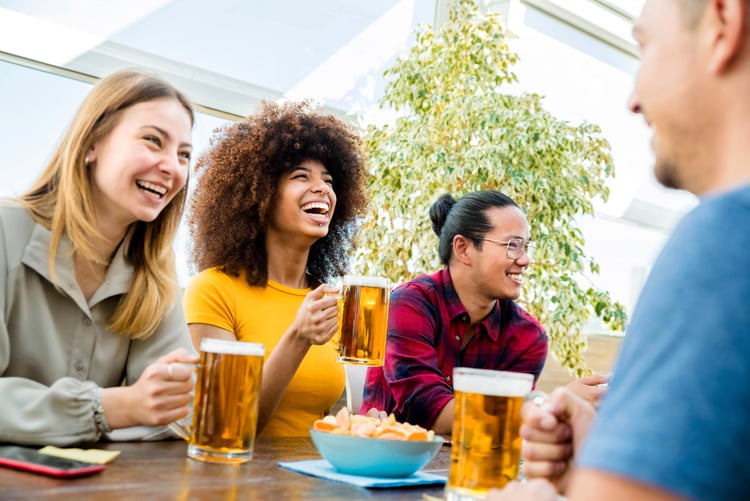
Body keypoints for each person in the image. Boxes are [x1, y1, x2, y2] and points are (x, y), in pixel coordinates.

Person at [489, 0, 750, 500]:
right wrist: (612, 457)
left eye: (645, 47)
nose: (633, 99)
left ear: (723, 24)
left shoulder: (726, 239)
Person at [0, 69, 198, 447]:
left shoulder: (154, 269)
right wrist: (109, 408)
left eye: (184, 155)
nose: (172, 167)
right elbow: (139, 409)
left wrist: (140, 407)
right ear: (92, 144)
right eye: (153, 141)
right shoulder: (5, 230)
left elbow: (181, 408)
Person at [183, 100, 368, 437]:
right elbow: (230, 424)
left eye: (328, 180)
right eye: (301, 176)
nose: (322, 188)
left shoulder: (326, 301)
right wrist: (298, 336)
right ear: (261, 195)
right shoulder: (213, 290)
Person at [360, 190, 549, 435]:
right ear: (463, 248)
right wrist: (547, 407)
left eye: (526, 246)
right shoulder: (410, 304)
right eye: (512, 245)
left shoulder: (528, 337)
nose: (525, 260)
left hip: (476, 468)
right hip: (390, 465)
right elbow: (427, 412)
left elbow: (502, 429)